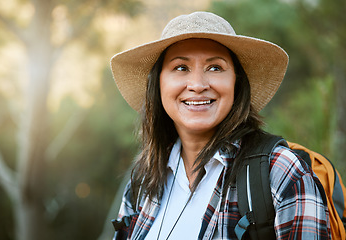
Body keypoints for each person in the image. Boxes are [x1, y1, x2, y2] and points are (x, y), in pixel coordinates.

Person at [110, 11, 330, 240]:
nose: (197, 85)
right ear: (158, 84)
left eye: (215, 67)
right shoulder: (143, 181)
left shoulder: (280, 172)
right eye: (181, 68)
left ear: (237, 82)